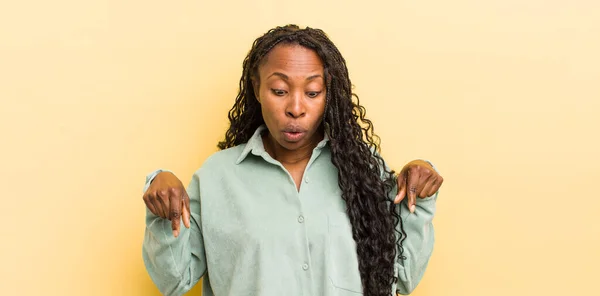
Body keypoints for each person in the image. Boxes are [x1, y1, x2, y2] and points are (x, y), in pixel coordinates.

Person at [142, 25, 443, 296]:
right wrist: (162, 203)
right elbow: (175, 281)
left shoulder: (364, 172)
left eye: (312, 92)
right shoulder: (216, 178)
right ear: (257, 88)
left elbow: (403, 278)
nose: (296, 108)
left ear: (329, 95)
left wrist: (422, 196)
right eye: (280, 91)